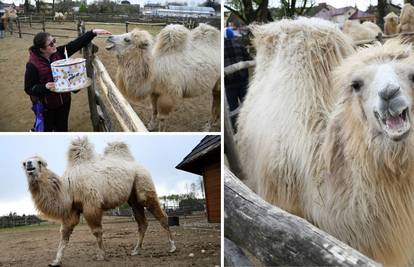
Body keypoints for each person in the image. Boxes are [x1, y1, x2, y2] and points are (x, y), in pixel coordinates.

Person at [24, 28, 111, 132]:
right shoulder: (32, 65)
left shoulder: (58, 53)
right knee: (46, 130)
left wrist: (92, 32)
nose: (54, 45)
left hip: (64, 102)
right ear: (42, 49)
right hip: (47, 106)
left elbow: (75, 44)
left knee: (62, 128)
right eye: (51, 44)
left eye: (54, 41)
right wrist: (45, 87)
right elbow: (29, 88)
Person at [224, 27, 251, 129]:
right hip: (243, 81)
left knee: (233, 108)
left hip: (229, 84)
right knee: (247, 105)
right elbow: (250, 60)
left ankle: (236, 128)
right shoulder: (240, 47)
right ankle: (249, 125)